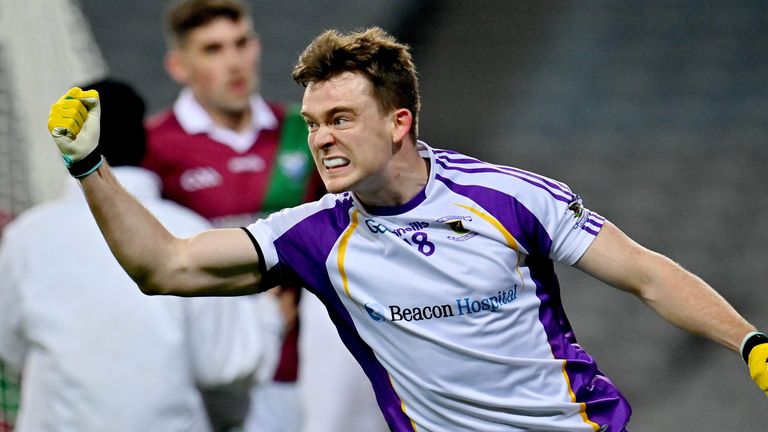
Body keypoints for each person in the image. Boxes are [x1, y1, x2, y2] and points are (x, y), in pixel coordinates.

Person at [47, 27, 767, 432]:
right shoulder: (312, 234)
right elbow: (165, 267)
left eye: (339, 120)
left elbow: (644, 271)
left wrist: (749, 342)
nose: (321, 139)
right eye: (311, 123)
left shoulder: (507, 197)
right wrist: (89, 168)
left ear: (399, 124)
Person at [142, 2, 387, 431]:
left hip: (292, 366)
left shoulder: (307, 133)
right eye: (213, 49)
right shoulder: (155, 147)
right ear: (179, 65)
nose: (234, 62)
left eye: (241, 43)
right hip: (198, 366)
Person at [0, 78, 286, 432]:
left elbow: (11, 349)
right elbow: (226, 365)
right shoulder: (187, 229)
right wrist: (270, 317)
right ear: (144, 141)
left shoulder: (26, 237)